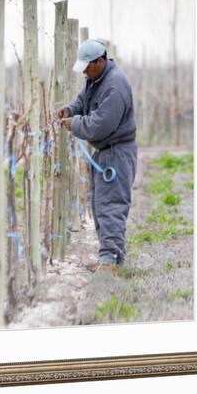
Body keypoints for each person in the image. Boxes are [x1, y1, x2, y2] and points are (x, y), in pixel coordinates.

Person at [57, 39, 137, 271]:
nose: (83, 72)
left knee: (111, 206)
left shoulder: (115, 87)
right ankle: (110, 257)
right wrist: (70, 110)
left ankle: (109, 261)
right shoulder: (96, 79)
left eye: (86, 66)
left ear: (100, 61)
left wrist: (75, 122)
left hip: (117, 154)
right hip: (107, 152)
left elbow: (100, 125)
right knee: (100, 205)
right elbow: (83, 100)